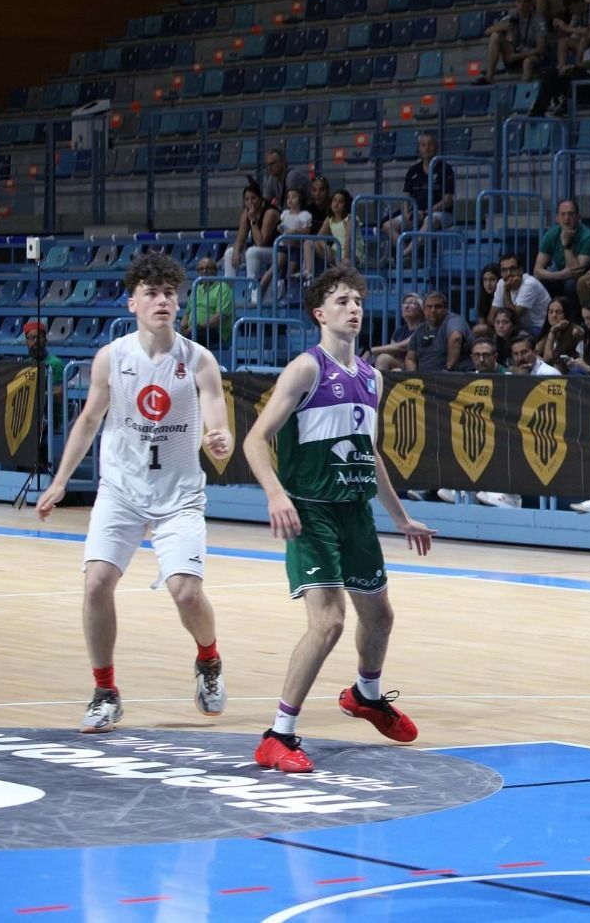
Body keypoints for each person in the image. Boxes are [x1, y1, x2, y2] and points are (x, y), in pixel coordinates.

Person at [240, 266, 436, 773]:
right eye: (342, 301)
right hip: (311, 514)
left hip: (355, 513)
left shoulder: (373, 376)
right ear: (319, 314)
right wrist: (276, 494)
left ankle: (366, 696)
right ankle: (277, 735)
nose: (354, 308)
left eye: (358, 301)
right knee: (328, 623)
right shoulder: (306, 369)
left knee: (381, 617)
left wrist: (402, 517)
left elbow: (371, 452)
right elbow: (255, 439)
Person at [35, 252, 233, 732]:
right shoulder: (112, 357)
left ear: (178, 302)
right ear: (132, 303)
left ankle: (208, 660)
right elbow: (88, 421)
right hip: (121, 490)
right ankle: (105, 691)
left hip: (179, 495)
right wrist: (59, 482)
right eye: (151, 293)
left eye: (169, 293)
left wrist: (219, 438)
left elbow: (218, 424)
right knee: (97, 582)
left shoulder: (199, 360)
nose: (162, 300)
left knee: (186, 593)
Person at [384, 132, 455, 261]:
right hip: (416, 213)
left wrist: (426, 212)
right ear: (419, 148)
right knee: (388, 225)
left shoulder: (445, 169)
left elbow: (448, 200)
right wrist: (406, 214)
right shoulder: (413, 170)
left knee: (429, 220)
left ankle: (405, 254)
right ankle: (408, 253)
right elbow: (406, 196)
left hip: (441, 214)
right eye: (423, 145)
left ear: (436, 147)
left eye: (430, 144)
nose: (427, 147)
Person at [533, 198, 590, 303]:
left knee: (571, 284)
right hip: (561, 275)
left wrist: (566, 245)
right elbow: (537, 270)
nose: (566, 218)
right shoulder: (551, 234)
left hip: (585, 279)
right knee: (538, 282)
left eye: (570, 214)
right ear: (557, 218)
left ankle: (574, 318)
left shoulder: (588, 237)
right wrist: (560, 275)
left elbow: (576, 272)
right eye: (562, 214)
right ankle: (548, 317)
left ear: (578, 217)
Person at [484, 0, 549, 81]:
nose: (522, 5)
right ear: (516, 3)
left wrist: (515, 56)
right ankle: (489, 77)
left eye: (525, 2)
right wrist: (504, 27)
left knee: (527, 62)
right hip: (514, 53)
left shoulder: (538, 19)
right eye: (519, 2)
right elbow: (487, 31)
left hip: (531, 54)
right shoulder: (512, 15)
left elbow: (541, 49)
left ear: (530, 4)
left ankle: (524, 89)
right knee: (495, 36)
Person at [223, 182, 278, 288]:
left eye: (253, 198)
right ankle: (227, 293)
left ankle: (253, 291)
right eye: (247, 199)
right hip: (259, 251)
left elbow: (260, 242)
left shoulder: (270, 212)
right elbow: (241, 236)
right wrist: (236, 250)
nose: (250, 202)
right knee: (230, 253)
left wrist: (253, 220)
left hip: (274, 251)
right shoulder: (246, 213)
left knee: (252, 252)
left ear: (260, 198)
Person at [405, 291, 473, 373]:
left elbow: (456, 338)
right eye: (429, 307)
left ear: (446, 309)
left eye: (438, 307)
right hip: (424, 379)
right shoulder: (420, 329)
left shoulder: (453, 320)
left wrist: (447, 370)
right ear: (423, 310)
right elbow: (410, 358)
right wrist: (414, 375)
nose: (433, 310)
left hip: (451, 378)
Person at [180, 254, 234, 355]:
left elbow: (220, 317)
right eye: (201, 269)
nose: (204, 271)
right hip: (194, 330)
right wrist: (183, 327)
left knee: (193, 337)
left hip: (215, 331)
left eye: (208, 268)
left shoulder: (223, 288)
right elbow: (187, 314)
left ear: (215, 271)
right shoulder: (196, 289)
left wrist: (197, 327)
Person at [492, 254, 552, 338]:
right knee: (483, 330)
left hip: (538, 328)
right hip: (518, 327)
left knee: (511, 334)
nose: (509, 274)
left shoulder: (529, 284)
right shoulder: (501, 283)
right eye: (504, 270)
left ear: (520, 270)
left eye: (512, 269)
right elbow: (492, 317)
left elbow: (512, 317)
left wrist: (506, 291)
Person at [370, 292, 423, 372]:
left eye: (412, 303)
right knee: (385, 360)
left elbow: (402, 347)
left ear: (421, 310)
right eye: (405, 303)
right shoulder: (399, 331)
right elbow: (392, 350)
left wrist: (372, 350)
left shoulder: (423, 328)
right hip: (401, 363)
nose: (407, 306)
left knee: (383, 359)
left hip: (416, 365)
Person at [535, 297, 583, 367]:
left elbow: (548, 359)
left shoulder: (575, 331)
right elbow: (535, 352)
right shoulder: (548, 331)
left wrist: (553, 331)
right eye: (551, 312)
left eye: (558, 312)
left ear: (566, 314)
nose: (554, 315)